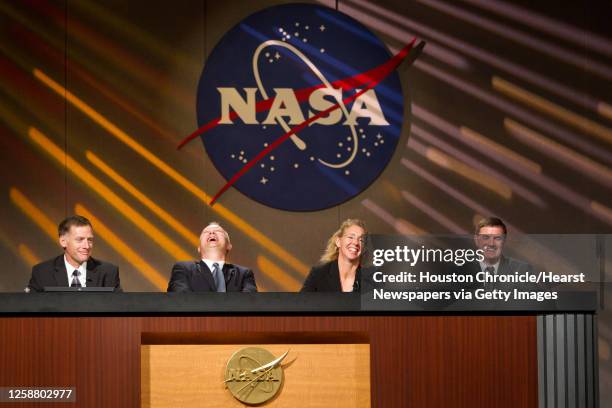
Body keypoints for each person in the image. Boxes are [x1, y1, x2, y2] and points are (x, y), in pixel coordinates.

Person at [27, 215, 120, 292]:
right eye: (80, 240)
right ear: (63, 241)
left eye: (90, 240)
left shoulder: (108, 272)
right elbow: (30, 309)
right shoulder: (42, 272)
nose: (87, 246)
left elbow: (119, 309)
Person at [167, 222, 257, 292]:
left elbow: (250, 302)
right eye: (206, 232)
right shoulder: (184, 269)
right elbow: (180, 300)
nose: (212, 232)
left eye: (218, 231)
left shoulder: (244, 274)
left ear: (229, 245)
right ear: (199, 248)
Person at [301, 219, 367, 292]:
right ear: (338, 242)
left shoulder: (371, 279)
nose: (355, 242)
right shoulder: (319, 274)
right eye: (350, 237)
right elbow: (301, 302)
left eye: (361, 240)